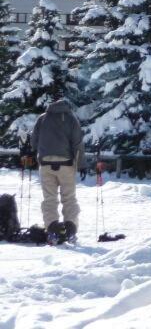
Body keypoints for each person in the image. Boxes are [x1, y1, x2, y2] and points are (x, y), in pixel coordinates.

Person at [30, 98, 83, 243]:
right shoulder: (71, 118)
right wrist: (81, 164)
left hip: (46, 164)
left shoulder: (42, 118)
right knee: (69, 198)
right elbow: (77, 143)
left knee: (49, 199)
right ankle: (70, 229)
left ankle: (53, 229)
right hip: (66, 164)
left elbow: (33, 142)